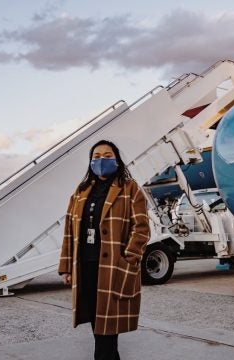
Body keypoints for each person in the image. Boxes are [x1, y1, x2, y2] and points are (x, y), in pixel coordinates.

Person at [58, 140, 150, 360]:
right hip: (86, 266)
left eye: (107, 155)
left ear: (116, 160)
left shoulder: (130, 188)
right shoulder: (80, 192)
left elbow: (142, 227)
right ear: (91, 162)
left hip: (113, 267)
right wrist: (66, 267)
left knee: (106, 328)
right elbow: (70, 232)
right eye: (97, 156)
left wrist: (129, 257)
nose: (102, 160)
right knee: (97, 322)